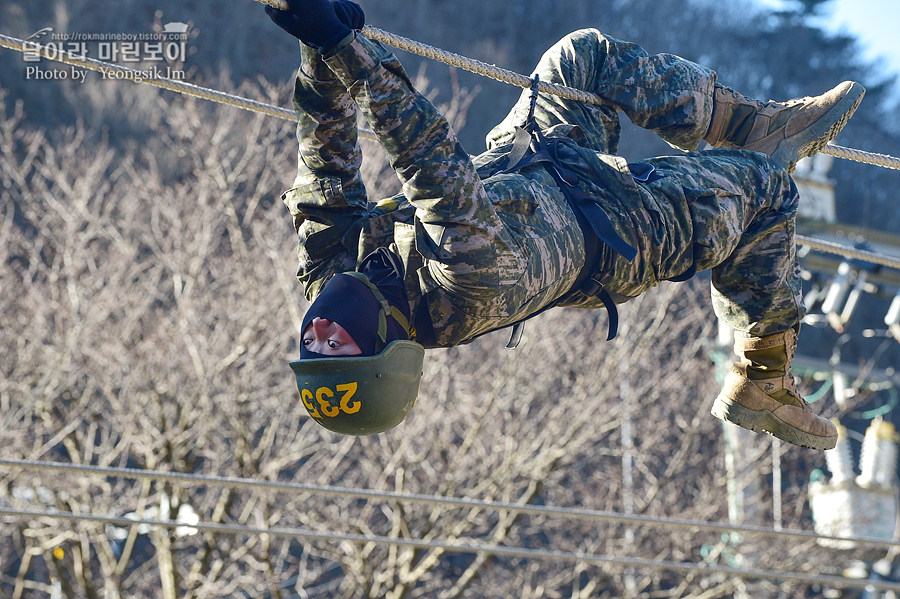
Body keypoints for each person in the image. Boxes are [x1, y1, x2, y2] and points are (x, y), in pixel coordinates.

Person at [266, 0, 864, 448]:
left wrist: (316, 47)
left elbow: (325, 164)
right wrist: (347, 46)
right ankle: (764, 373)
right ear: (382, 347)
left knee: (580, 57)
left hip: (541, 161)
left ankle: (748, 121)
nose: (318, 329)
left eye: (309, 344)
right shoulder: (463, 286)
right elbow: (426, 158)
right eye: (333, 348)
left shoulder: (335, 277)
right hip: (628, 231)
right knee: (765, 187)